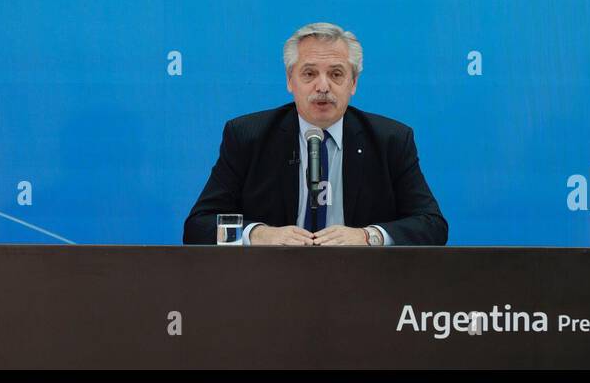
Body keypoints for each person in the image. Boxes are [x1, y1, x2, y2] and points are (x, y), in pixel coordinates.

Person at [183, 22, 447, 246]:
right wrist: (261, 234)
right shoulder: (248, 137)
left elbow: (432, 226)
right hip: (270, 282)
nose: (322, 86)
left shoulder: (390, 140)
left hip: (363, 282)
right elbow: (198, 227)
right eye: (309, 73)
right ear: (290, 80)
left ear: (353, 83)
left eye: (336, 74)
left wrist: (368, 237)